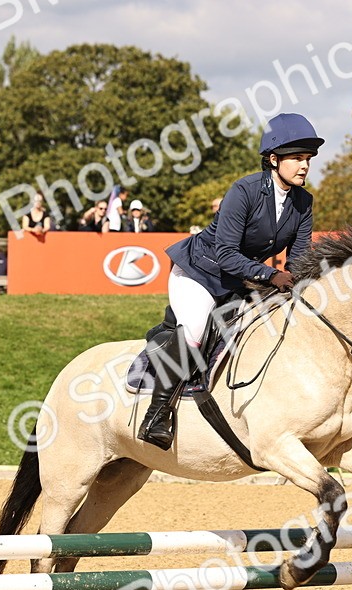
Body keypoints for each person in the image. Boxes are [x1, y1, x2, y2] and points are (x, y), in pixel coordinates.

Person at [137, 112, 322, 449]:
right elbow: (225, 253)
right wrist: (270, 274)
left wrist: (305, 283)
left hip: (241, 280)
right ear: (273, 158)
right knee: (194, 328)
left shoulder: (303, 202)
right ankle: (157, 414)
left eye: (307, 159)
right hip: (200, 272)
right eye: (296, 158)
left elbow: (299, 258)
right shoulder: (245, 190)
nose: (304, 165)